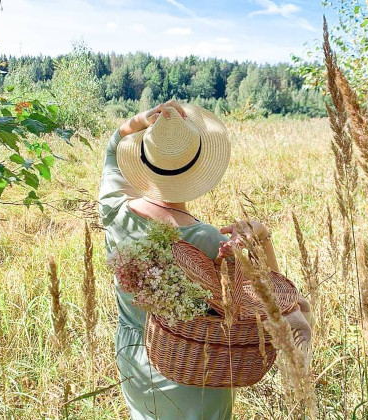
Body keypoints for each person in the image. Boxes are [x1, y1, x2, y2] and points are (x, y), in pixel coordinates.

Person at [99, 101, 307, 420]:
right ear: (196, 169)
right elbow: (274, 302)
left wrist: (143, 120)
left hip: (133, 358)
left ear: (141, 159)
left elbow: (114, 149)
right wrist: (263, 239)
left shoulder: (115, 212)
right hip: (195, 367)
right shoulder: (208, 240)